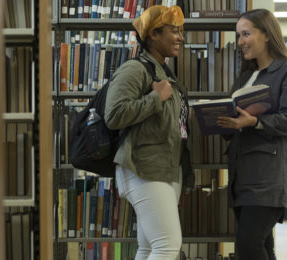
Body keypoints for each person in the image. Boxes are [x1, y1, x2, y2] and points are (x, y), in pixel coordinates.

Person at [216, 9, 287, 260]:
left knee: (249, 246)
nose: (241, 42)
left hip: (269, 175)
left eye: (246, 34)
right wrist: (225, 124)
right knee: (262, 246)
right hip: (242, 174)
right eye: (239, 35)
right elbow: (239, 123)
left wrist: (255, 122)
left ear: (267, 34)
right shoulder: (245, 77)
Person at [104, 5, 193, 259]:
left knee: (150, 247)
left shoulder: (163, 71)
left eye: (181, 31)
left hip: (165, 170)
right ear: (153, 34)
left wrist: (182, 177)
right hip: (143, 169)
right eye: (174, 31)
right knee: (167, 246)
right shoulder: (135, 69)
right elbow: (114, 114)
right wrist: (155, 98)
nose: (181, 37)